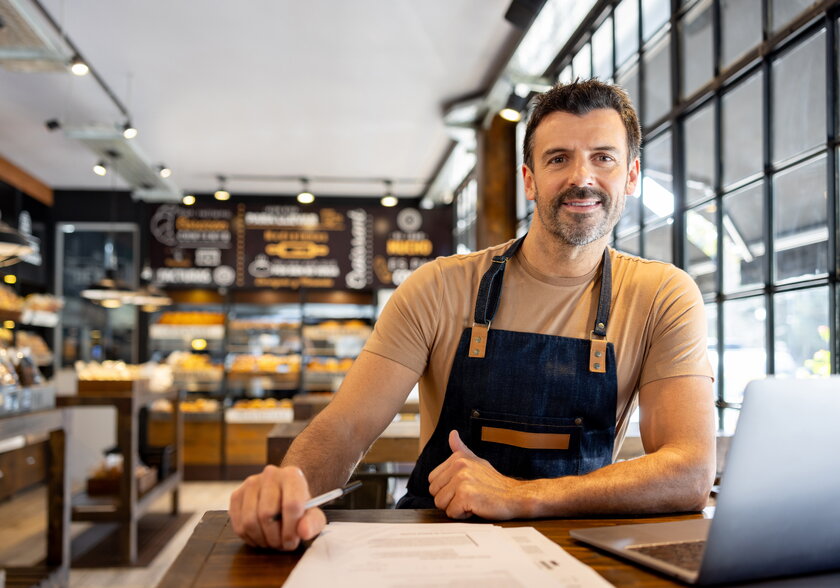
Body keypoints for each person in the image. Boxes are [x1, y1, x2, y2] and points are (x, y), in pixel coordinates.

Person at [229, 79, 716, 551]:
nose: (581, 178)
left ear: (631, 174)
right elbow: (346, 428)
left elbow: (690, 470)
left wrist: (520, 497)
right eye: (558, 159)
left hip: (579, 550)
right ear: (529, 180)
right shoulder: (438, 287)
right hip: (440, 543)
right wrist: (289, 487)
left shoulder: (663, 295)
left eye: (603, 158)